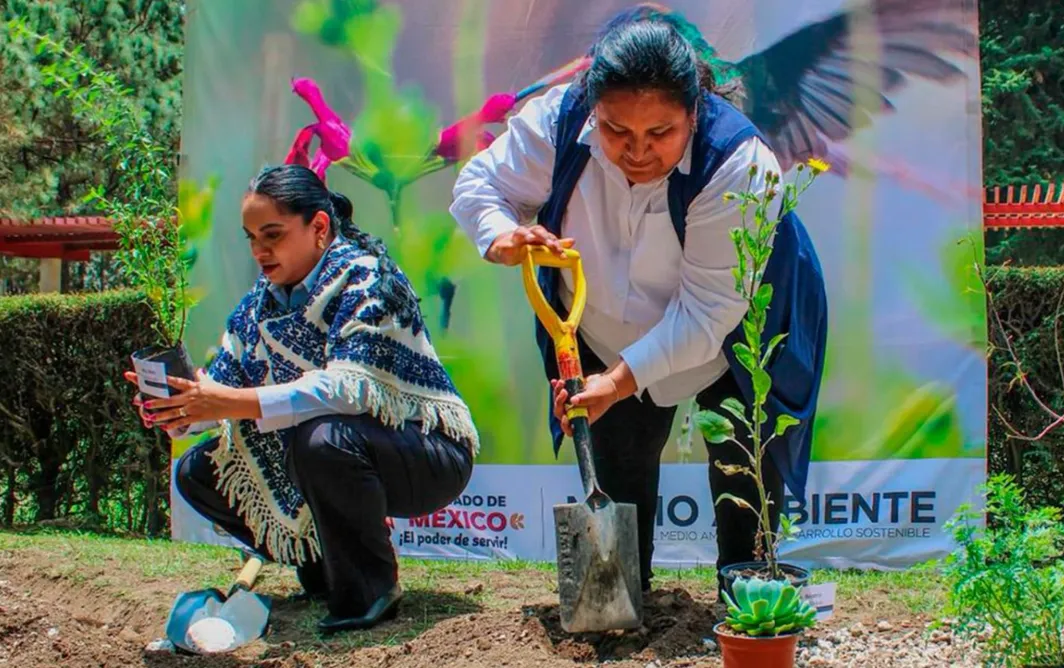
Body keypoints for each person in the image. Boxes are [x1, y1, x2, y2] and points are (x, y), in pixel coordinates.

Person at [449, 16, 827, 592]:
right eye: (616, 130)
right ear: (592, 107)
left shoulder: (739, 163)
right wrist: (501, 235)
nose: (637, 151)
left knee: (744, 467)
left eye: (661, 133)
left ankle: (747, 600)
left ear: (694, 112)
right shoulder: (557, 121)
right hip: (605, 329)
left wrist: (619, 381)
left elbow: (705, 314)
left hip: (735, 328)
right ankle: (624, 602)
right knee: (619, 465)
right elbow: (480, 184)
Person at [125, 164, 478, 633]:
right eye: (251, 237)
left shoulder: (369, 281)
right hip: (332, 450)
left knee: (322, 439)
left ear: (318, 227)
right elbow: (224, 391)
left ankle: (368, 589)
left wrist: (229, 401)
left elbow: (346, 390)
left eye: (272, 234)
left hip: (426, 454)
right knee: (197, 473)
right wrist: (181, 408)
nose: (259, 250)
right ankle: (323, 565)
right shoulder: (257, 307)